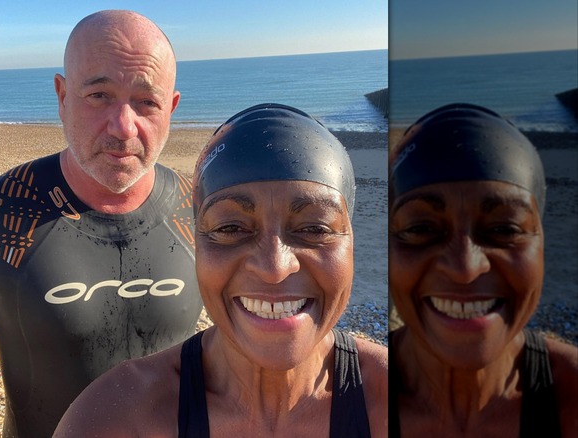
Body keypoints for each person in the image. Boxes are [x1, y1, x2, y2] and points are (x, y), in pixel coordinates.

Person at [54, 103, 389, 437]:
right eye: (231, 228)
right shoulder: (117, 421)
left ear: (351, 242)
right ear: (197, 244)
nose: (274, 268)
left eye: (314, 229)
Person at [0, 10, 203, 436]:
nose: (124, 127)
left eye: (146, 102)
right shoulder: (0, 212)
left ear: (172, 108)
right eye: (100, 95)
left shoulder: (196, 208)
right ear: (62, 95)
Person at [388, 103, 578, 437]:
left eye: (504, 230)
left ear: (542, 244)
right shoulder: (356, 395)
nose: (465, 268)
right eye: (420, 229)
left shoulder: (570, 398)